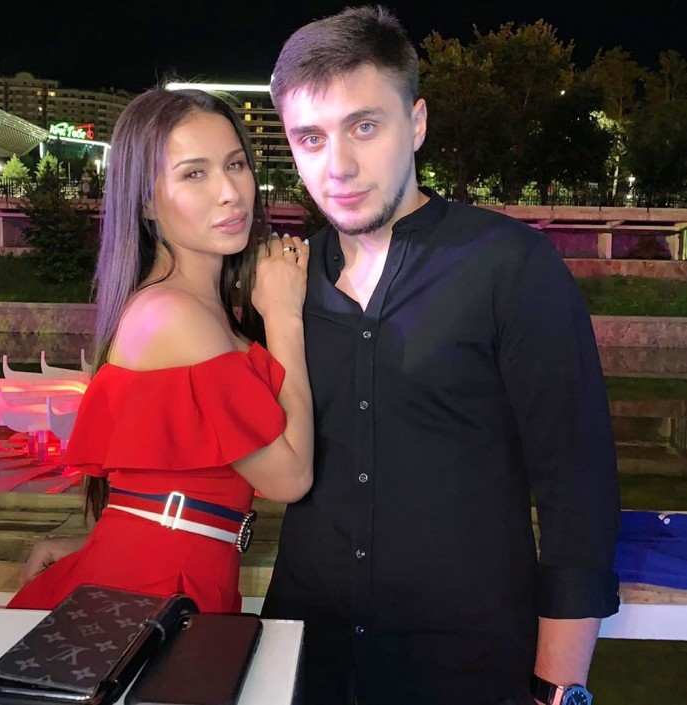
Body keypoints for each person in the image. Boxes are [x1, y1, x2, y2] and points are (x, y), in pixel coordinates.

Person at [259, 6, 620, 705]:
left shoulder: (511, 266)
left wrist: (557, 688)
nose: (338, 165)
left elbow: (577, 492)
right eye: (311, 137)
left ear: (416, 122)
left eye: (365, 126)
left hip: (467, 670)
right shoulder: (284, 281)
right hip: (306, 661)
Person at [7, 87, 312, 614]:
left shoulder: (195, 307)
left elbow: (161, 480)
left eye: (235, 164)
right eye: (194, 174)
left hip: (172, 568)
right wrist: (285, 316)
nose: (230, 192)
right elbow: (290, 477)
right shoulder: (174, 315)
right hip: (160, 587)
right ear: (146, 201)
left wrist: (94, 540)